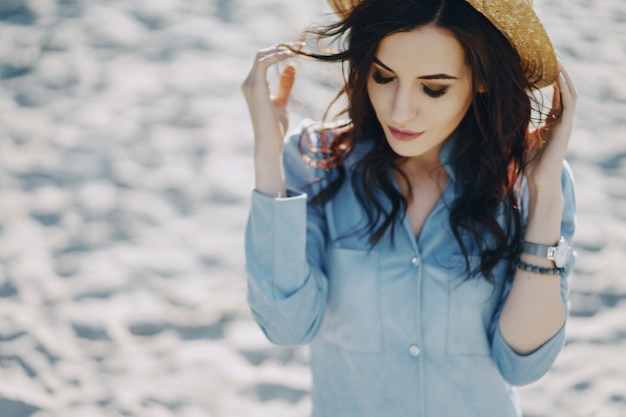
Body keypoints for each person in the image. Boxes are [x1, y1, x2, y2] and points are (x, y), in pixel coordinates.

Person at [241, 0, 577, 415]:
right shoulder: (314, 164)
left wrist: (544, 197)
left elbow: (523, 362)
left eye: (433, 88)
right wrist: (266, 155)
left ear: (482, 79)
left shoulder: (530, 180)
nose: (399, 110)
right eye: (384, 77)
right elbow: (287, 325)